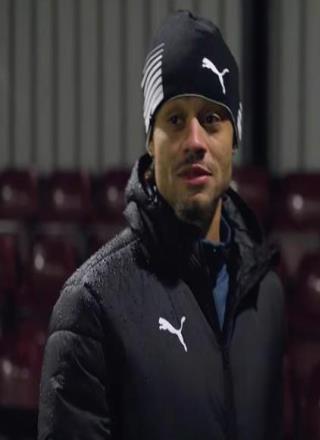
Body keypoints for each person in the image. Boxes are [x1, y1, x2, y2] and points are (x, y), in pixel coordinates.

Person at [37, 10, 285, 440]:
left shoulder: (266, 295)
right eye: (175, 119)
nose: (195, 141)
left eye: (212, 119)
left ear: (235, 137)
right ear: (151, 141)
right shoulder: (92, 305)